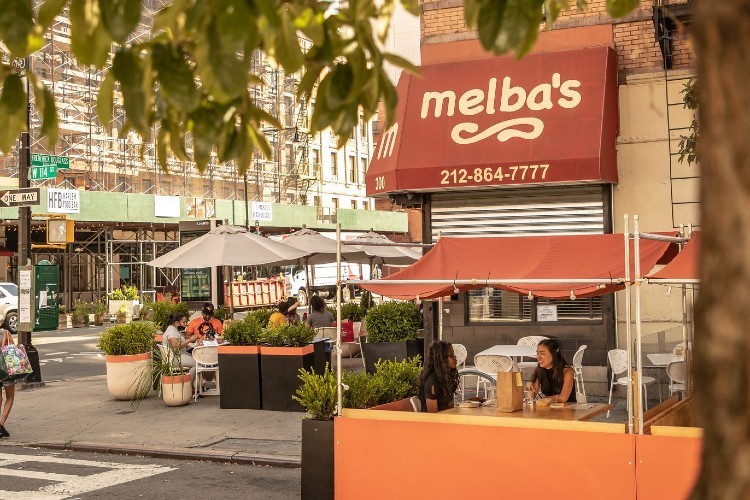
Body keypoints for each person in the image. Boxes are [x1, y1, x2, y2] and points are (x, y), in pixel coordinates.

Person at [527, 338, 576, 403]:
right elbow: (530, 397)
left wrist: (545, 398)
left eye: (542, 354)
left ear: (554, 354)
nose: (538, 357)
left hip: (568, 408)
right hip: (549, 408)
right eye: (537, 353)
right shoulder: (539, 370)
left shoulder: (567, 371)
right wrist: (529, 389)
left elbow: (563, 398)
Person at [419, 340, 459, 413]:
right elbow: (433, 415)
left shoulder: (447, 377)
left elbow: (451, 406)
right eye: (450, 355)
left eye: (454, 354)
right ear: (441, 358)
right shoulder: (432, 381)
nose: (455, 357)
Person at [162, 312, 198, 381]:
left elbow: (180, 342)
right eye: (184, 322)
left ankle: (196, 384)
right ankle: (189, 386)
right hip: (174, 359)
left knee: (195, 357)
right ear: (177, 323)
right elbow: (176, 346)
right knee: (197, 363)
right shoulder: (172, 332)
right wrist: (190, 339)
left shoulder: (173, 330)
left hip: (174, 356)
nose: (185, 324)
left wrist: (192, 342)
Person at [0, 329, 14, 437]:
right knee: (10, 397)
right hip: (6, 371)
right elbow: (12, 348)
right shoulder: (5, 333)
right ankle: (1, 423)